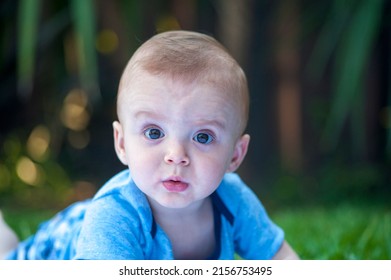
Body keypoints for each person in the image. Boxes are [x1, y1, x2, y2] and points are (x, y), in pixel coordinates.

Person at [1, 30, 299, 260]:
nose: (176, 156)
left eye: (203, 137)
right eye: (154, 133)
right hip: (64, 243)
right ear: (122, 144)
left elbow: (281, 258)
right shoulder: (115, 216)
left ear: (235, 155)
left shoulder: (233, 200)